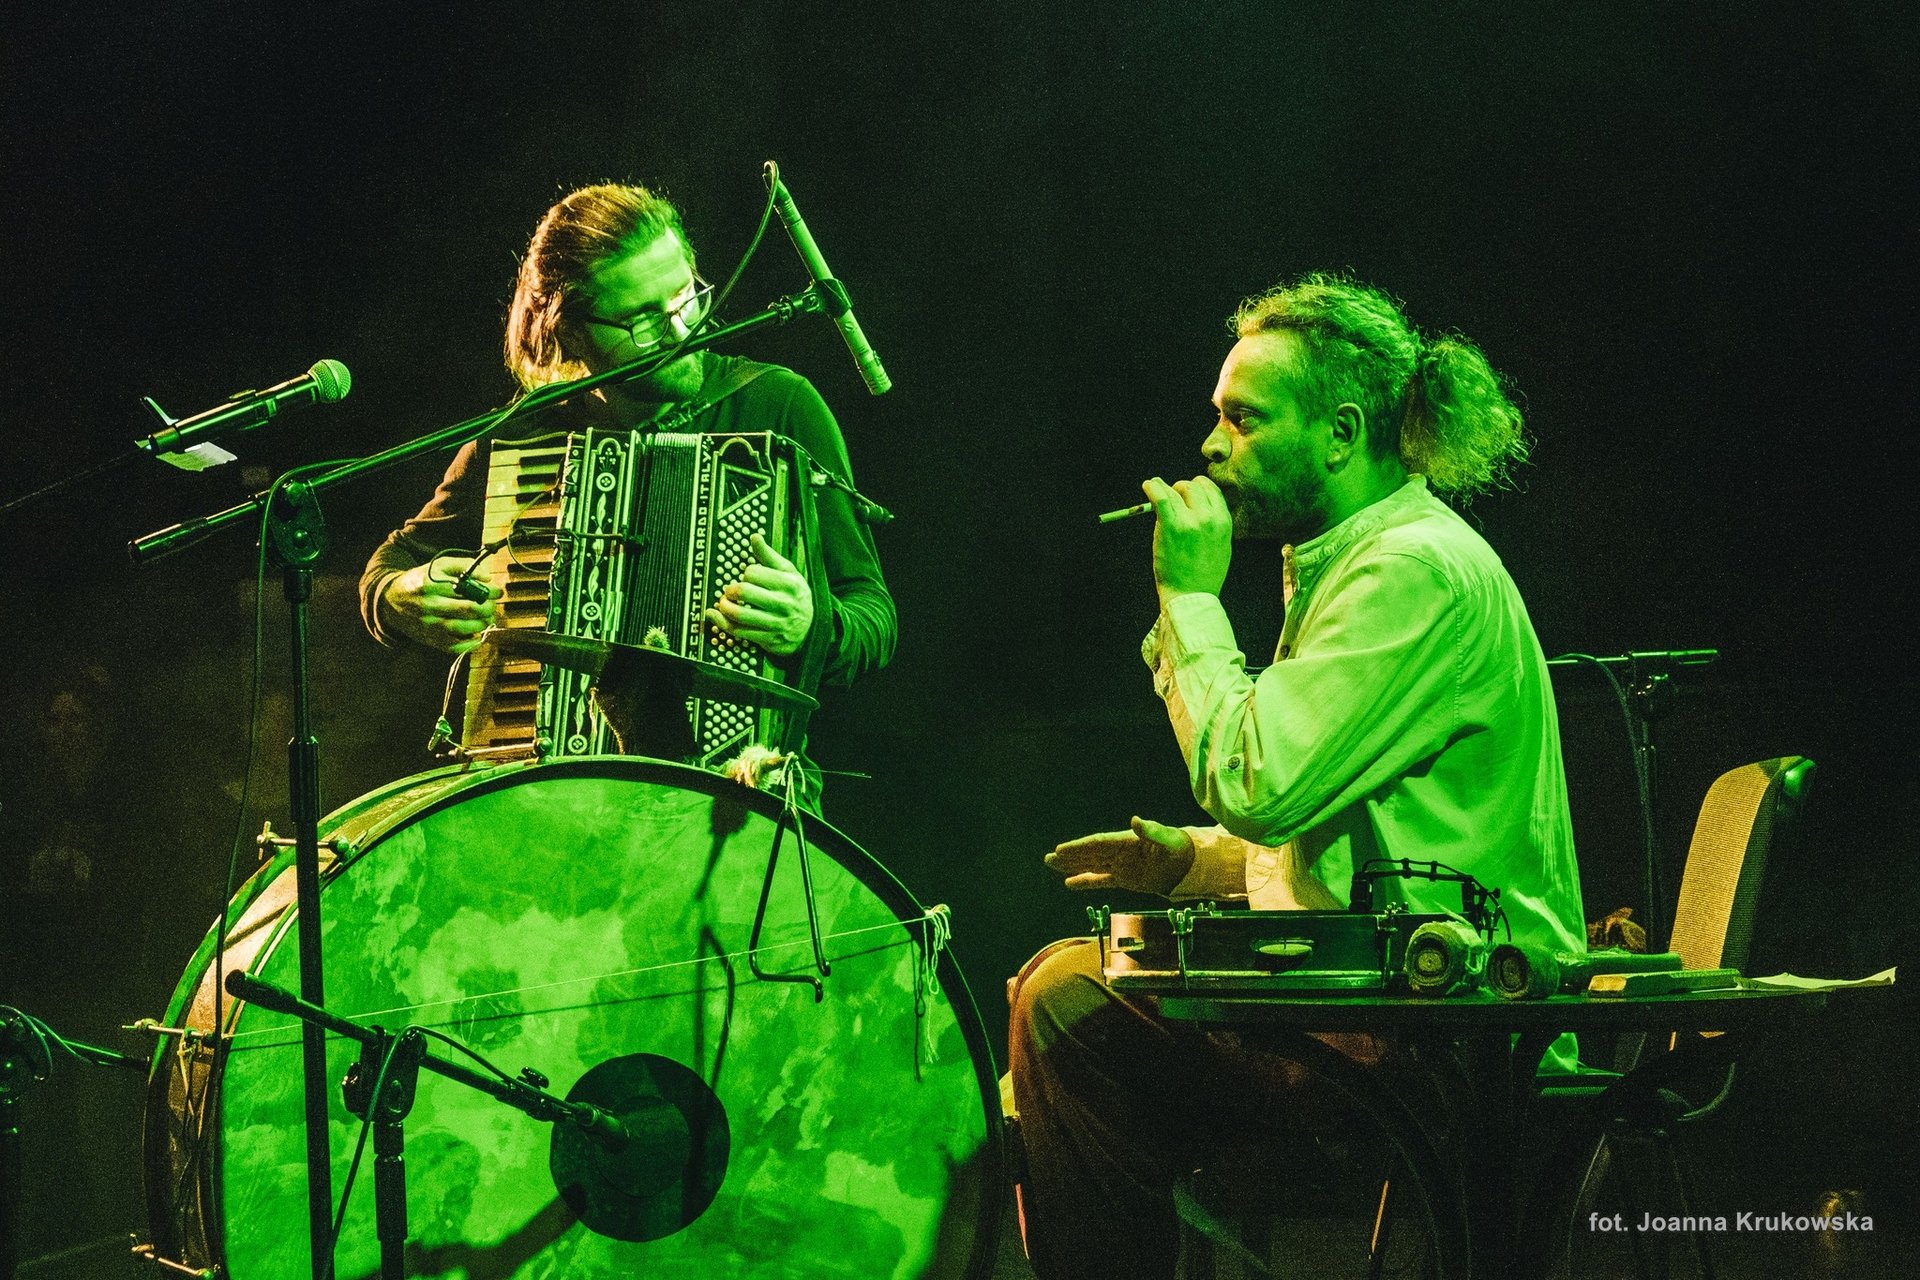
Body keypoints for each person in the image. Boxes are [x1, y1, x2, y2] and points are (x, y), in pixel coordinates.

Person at [1008, 273, 1586, 1277]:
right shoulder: (1367, 561)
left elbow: (1258, 778)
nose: (1210, 444)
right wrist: (1190, 862)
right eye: (1214, 417)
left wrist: (1189, 595)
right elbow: (1357, 823)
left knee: (1067, 1007)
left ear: (1340, 430)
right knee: (1065, 985)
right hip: (1402, 1009)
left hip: (1445, 1035)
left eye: (1243, 418)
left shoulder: (1410, 572)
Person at [358, 183, 895, 796]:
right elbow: (394, 563)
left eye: (687, 294)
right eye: (643, 318)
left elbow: (873, 611)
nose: (682, 329)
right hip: (549, 796)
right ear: (570, 330)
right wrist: (397, 598)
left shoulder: (778, 405)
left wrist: (813, 626)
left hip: (736, 805)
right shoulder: (523, 438)